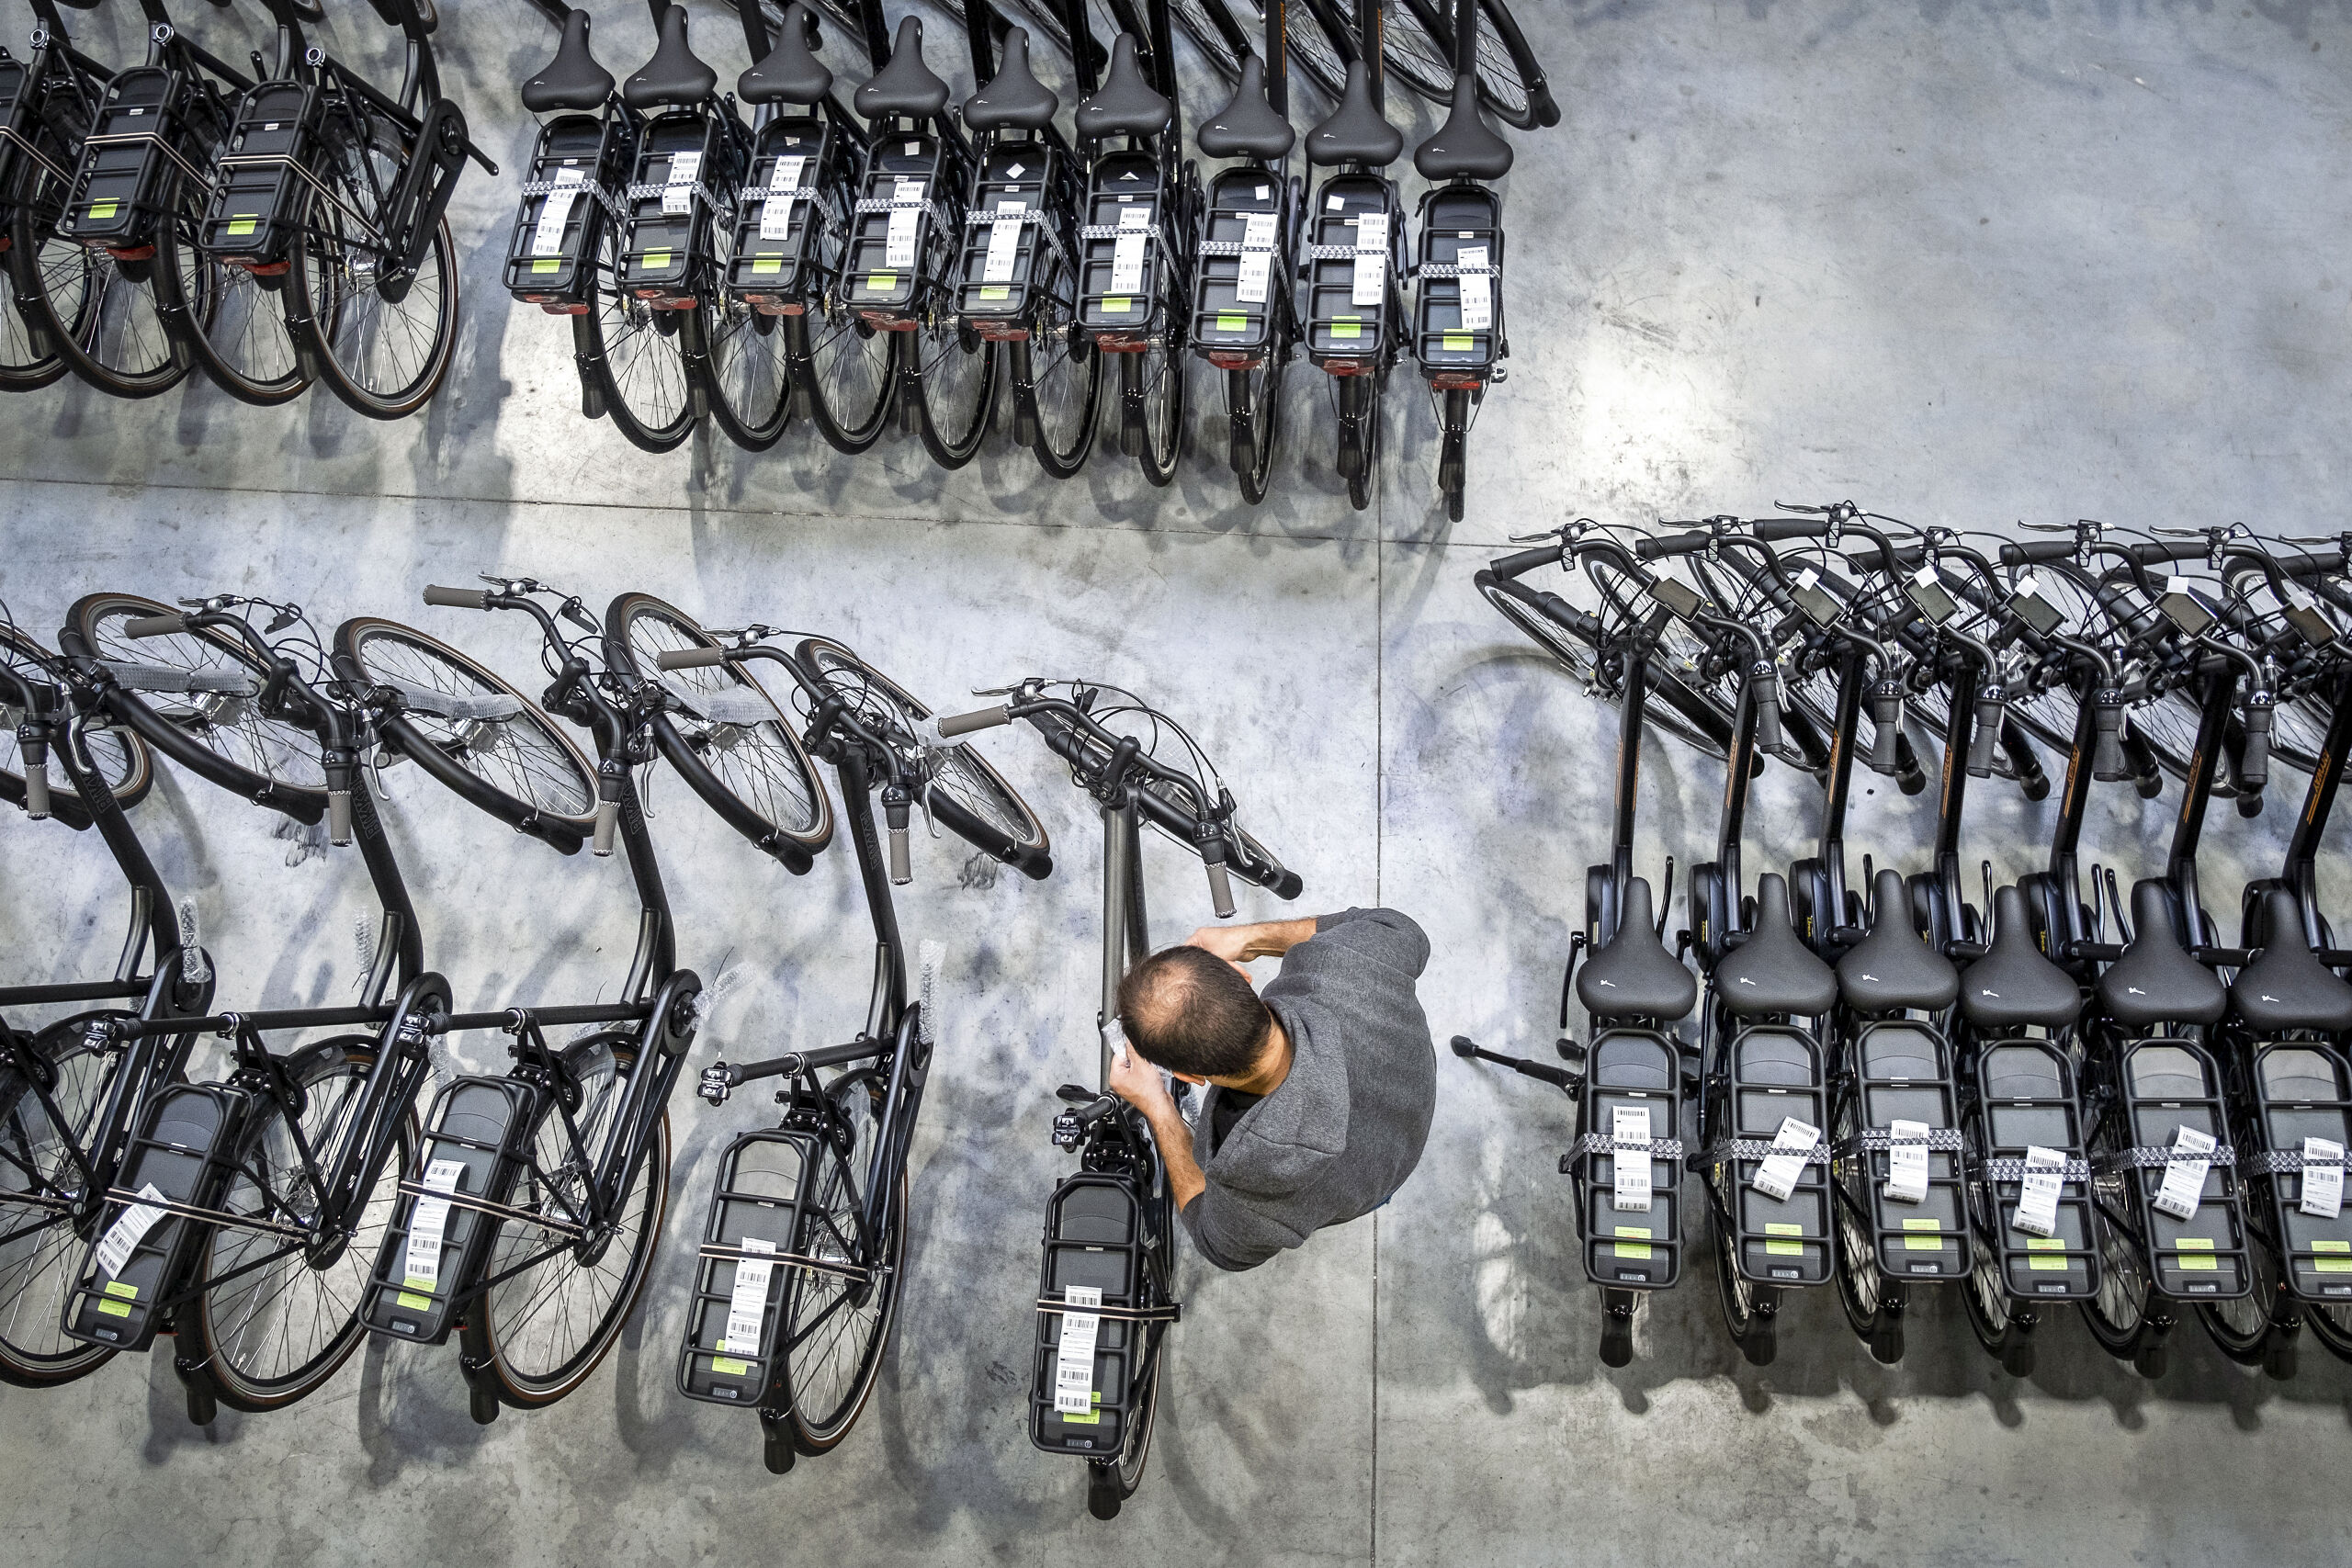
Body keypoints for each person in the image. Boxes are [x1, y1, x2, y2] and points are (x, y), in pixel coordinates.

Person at [1105, 908, 1435, 1272]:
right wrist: (1250, 938)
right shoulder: (1345, 962)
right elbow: (1401, 929)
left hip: (1371, 1187)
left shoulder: (1249, 1178)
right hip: (1410, 1117)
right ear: (1240, 976)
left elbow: (1217, 1245)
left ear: (1188, 1076)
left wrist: (1158, 1107)